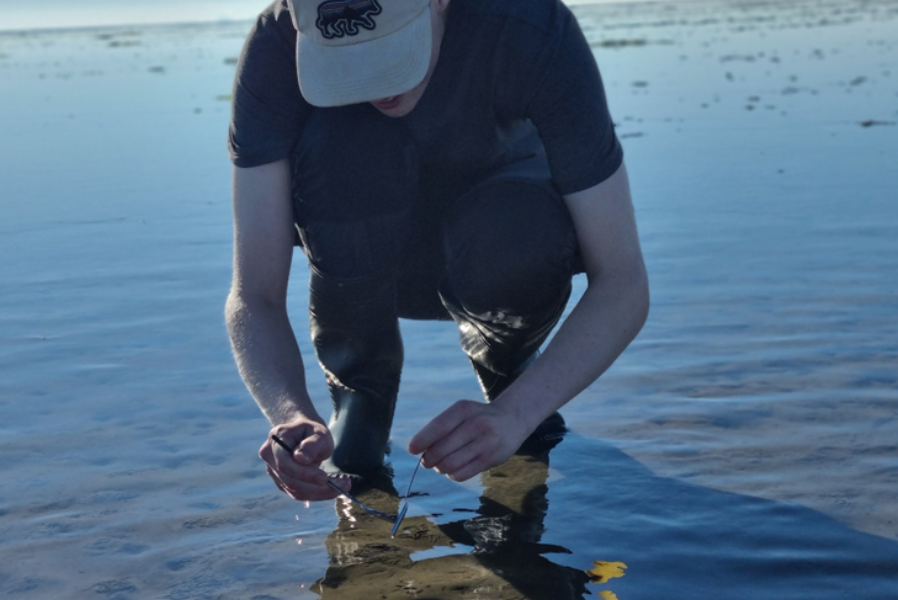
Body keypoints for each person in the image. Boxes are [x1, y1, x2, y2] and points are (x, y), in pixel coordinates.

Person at [225, 0, 649, 501]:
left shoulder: (531, 27)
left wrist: (517, 413)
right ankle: (358, 402)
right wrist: (288, 414)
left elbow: (623, 282)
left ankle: (509, 372)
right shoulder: (276, 46)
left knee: (514, 227)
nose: (377, 85)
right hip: (356, 265)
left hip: (501, 254)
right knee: (344, 146)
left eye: (388, 50)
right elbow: (254, 296)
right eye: (346, 60)